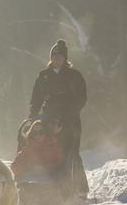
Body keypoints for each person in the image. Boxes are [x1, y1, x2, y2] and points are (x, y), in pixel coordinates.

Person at [26, 39, 88, 195]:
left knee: (72, 153)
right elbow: (36, 99)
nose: (56, 59)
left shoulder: (74, 75)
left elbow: (81, 99)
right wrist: (32, 118)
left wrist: (65, 117)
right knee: (51, 153)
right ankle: (54, 189)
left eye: (59, 56)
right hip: (48, 119)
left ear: (65, 58)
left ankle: (81, 189)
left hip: (70, 121)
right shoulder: (43, 76)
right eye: (54, 56)